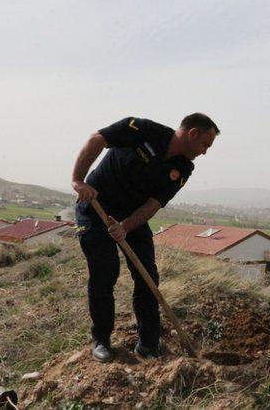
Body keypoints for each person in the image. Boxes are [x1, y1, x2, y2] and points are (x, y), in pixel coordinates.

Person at [71, 113, 219, 362]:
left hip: (133, 218)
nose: (205, 152)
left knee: (148, 277)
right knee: (105, 273)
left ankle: (148, 345)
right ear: (192, 133)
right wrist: (78, 179)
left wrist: (126, 227)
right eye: (205, 144)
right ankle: (102, 340)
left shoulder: (183, 167)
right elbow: (97, 139)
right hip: (96, 207)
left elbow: (153, 204)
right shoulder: (140, 130)